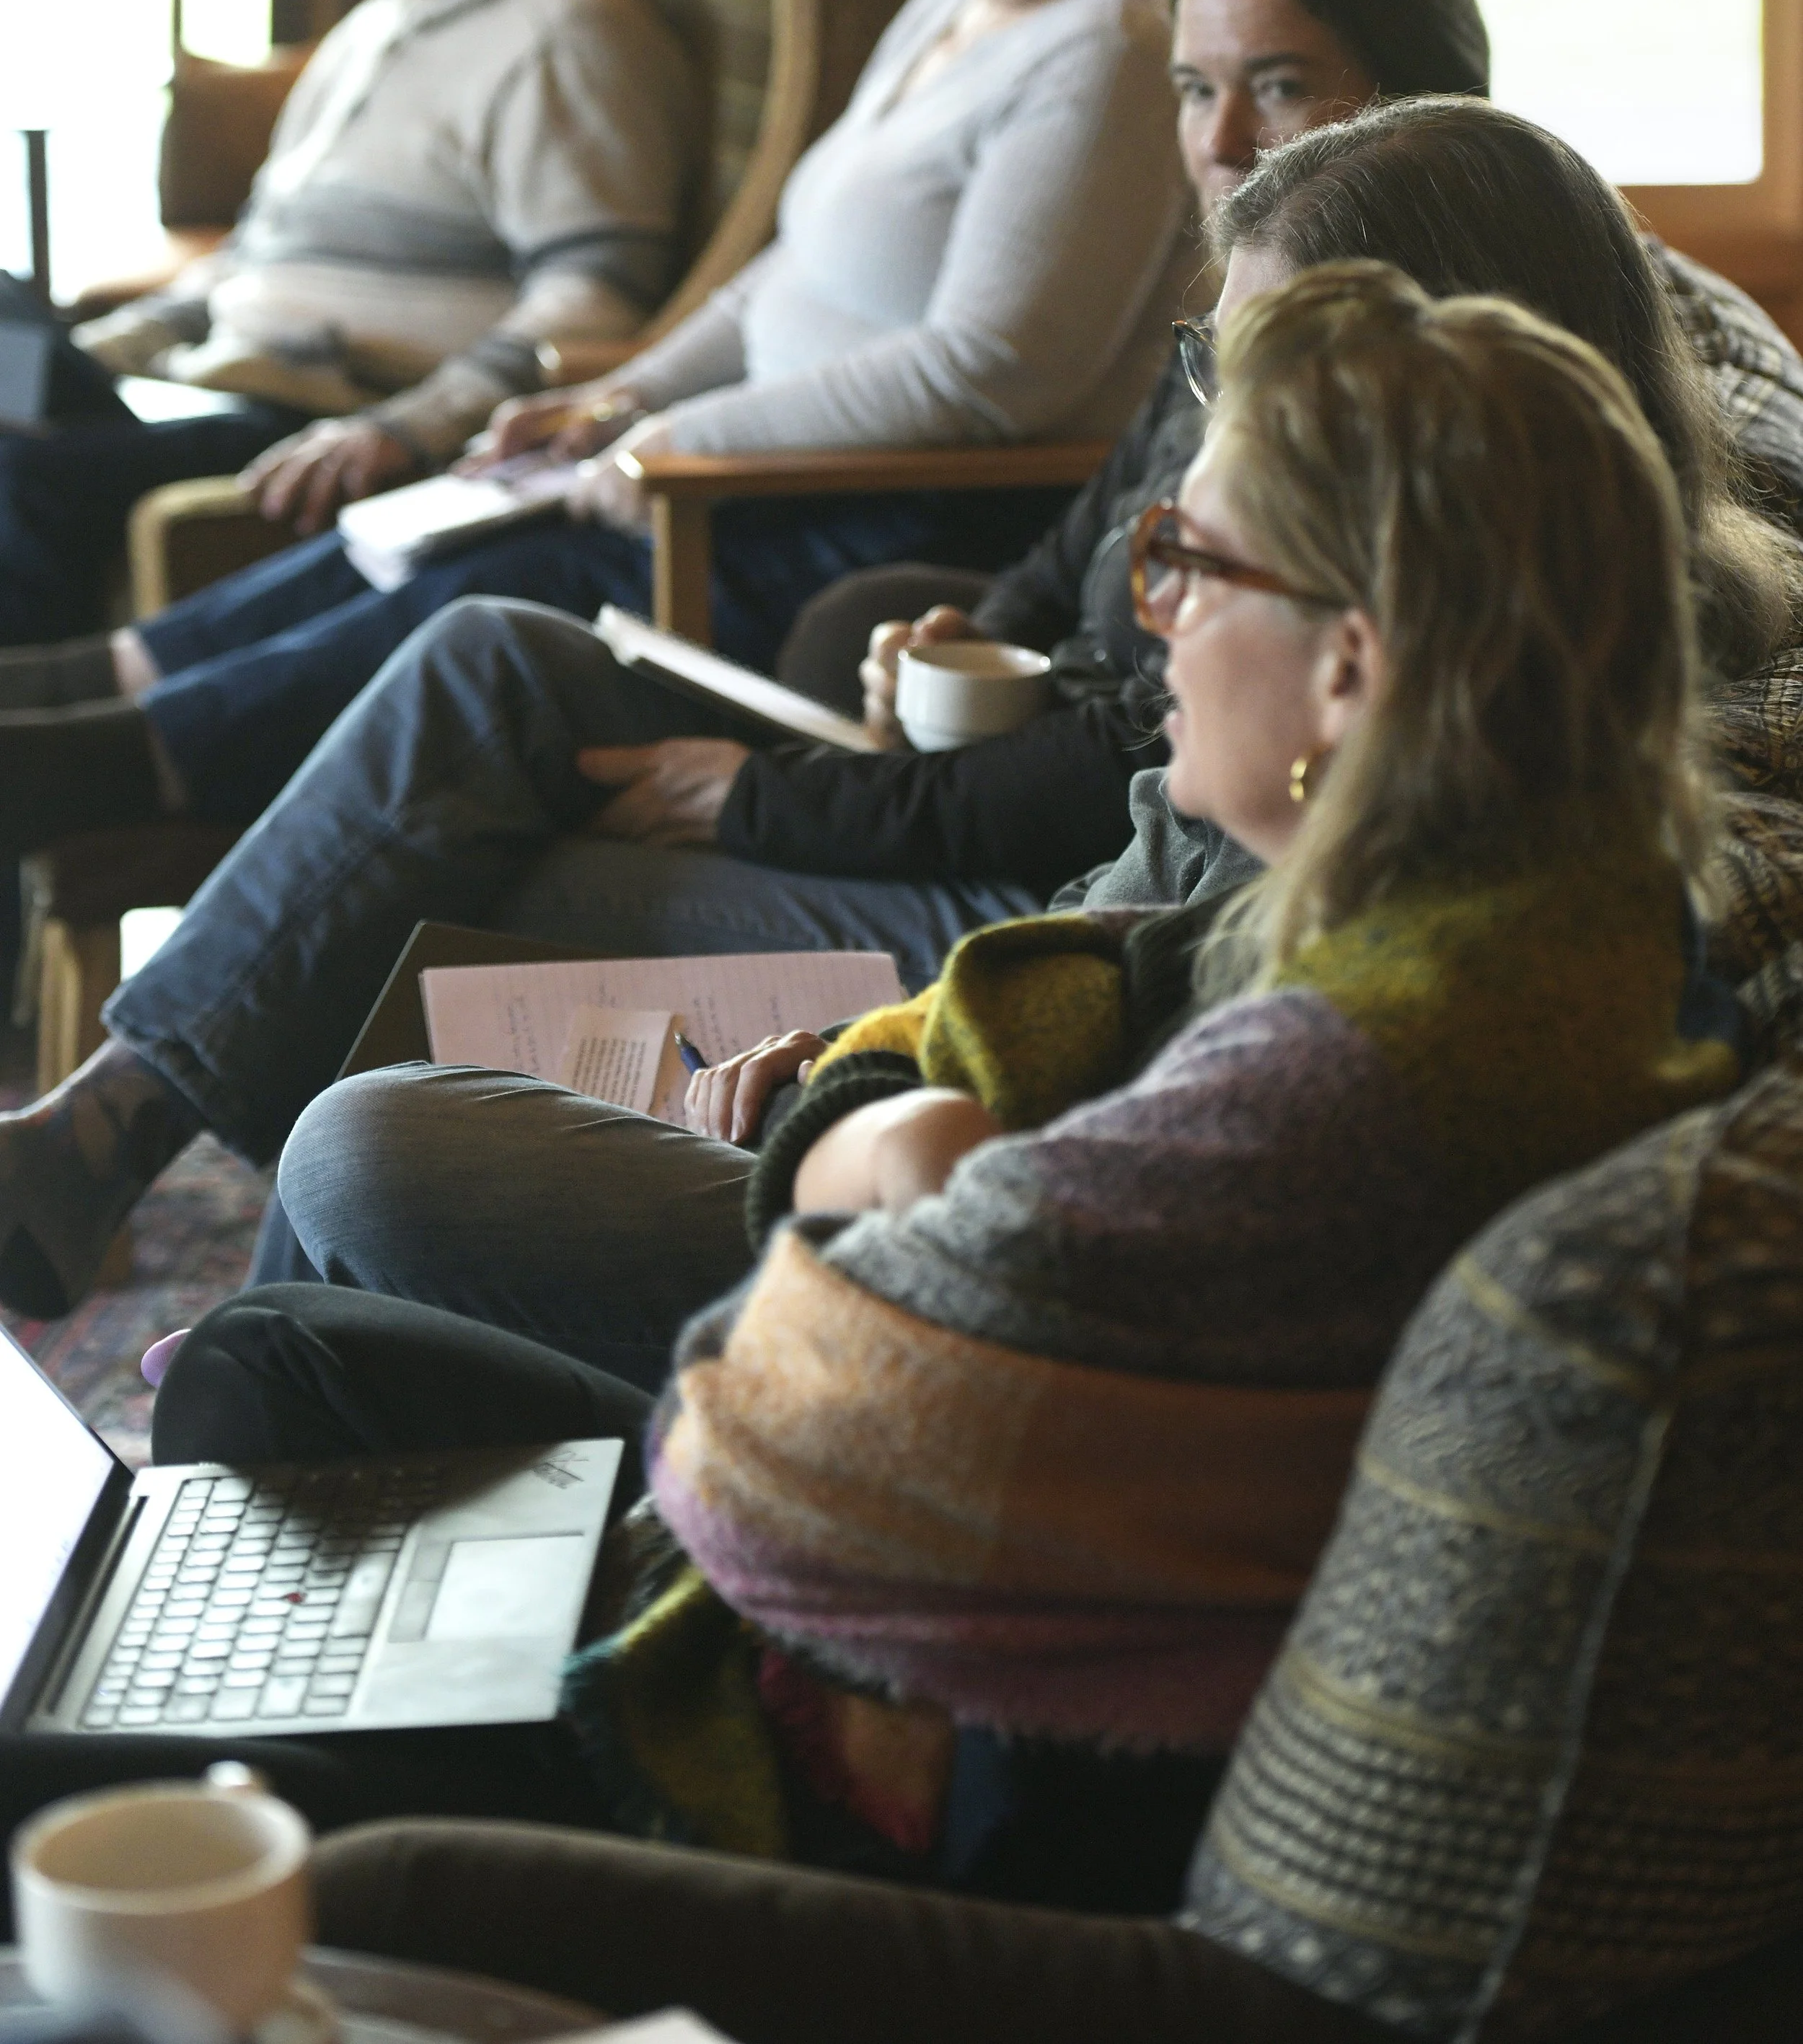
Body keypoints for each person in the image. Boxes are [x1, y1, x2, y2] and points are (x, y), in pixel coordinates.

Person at [0, 265, 1752, 1915]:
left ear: (1351, 667)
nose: (1152, 629)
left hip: (849, 1763)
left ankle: (249, 1794)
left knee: (77, 1734)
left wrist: (873, 1138)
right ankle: (244, 1654)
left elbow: (763, 1448)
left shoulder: (1317, 1088)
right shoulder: (1554, 944)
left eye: (1187, 568)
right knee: (263, 1362)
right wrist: (903, 1148)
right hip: (937, 1642)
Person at [5, 97, 1802, 1326]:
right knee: (484, 693)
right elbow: (1118, 777)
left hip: (990, 1031)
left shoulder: (1449, 766)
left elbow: (1141, 980)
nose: (1218, 127)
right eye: (1193, 80)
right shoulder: (1353, 618)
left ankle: (246, 1313)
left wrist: (859, 1009)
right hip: (998, 987)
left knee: (402, 1067)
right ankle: (197, 1265)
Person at [0, 0, 1196, 851]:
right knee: (437, 521)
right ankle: (89, 691)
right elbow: (777, 270)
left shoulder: (1109, 49)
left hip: (857, 506)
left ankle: (111, 764)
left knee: (493, 585)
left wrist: (673, 442)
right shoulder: (957, 0)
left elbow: (987, 371)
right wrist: (621, 395)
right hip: (742, 467)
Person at [1, 0, 700, 646]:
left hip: (318, 413)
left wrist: (406, 427)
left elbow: (596, 300)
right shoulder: (382, 21)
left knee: (14, 473)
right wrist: (106, 349)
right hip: (214, 376)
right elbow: (254, 262)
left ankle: (43, 765)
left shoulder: (569, 31)